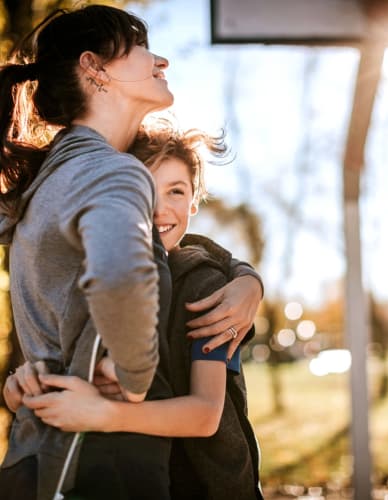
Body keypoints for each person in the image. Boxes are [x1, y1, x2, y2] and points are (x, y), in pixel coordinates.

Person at [0, 5, 262, 500]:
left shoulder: (47, 183)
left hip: (40, 457)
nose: (160, 60)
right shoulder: (113, 173)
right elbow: (121, 278)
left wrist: (243, 274)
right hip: (106, 463)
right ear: (94, 68)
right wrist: (133, 379)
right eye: (140, 47)